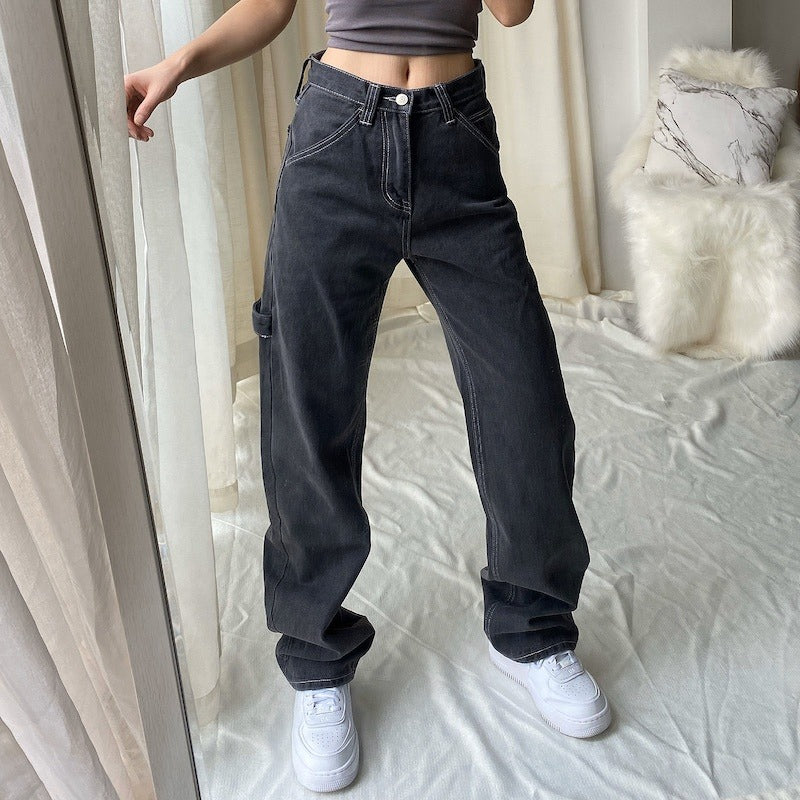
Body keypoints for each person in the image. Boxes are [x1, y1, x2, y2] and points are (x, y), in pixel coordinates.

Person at [125, 0, 612, 792]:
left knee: (525, 397)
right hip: (336, 135)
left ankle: (532, 625)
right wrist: (177, 64)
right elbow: (270, 5)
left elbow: (513, 11)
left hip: (456, 138)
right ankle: (318, 659)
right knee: (308, 405)